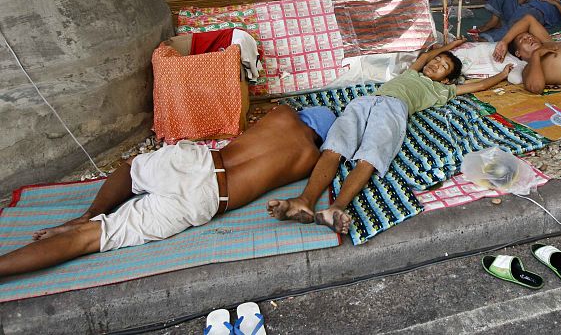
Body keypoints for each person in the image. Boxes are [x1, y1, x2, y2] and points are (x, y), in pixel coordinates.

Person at [0, 105, 337, 278]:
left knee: (131, 169)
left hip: (196, 160)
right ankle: (82, 229)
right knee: (93, 239)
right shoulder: (309, 158)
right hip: (208, 198)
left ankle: (86, 213)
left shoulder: (281, 114)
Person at [268, 38, 515, 233]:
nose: (435, 65)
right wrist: (452, 46)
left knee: (371, 157)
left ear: (447, 79)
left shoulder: (442, 91)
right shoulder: (411, 73)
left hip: (394, 110)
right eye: (436, 60)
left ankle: (336, 208)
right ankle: (304, 201)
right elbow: (426, 56)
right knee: (334, 148)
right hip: (365, 102)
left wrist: (503, 74)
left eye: (443, 67)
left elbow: (480, 86)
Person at [478, 0, 561, 42]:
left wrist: (556, 3)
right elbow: (518, 3)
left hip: (535, 13)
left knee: (517, 23)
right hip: (520, 9)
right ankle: (495, 20)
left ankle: (489, 38)